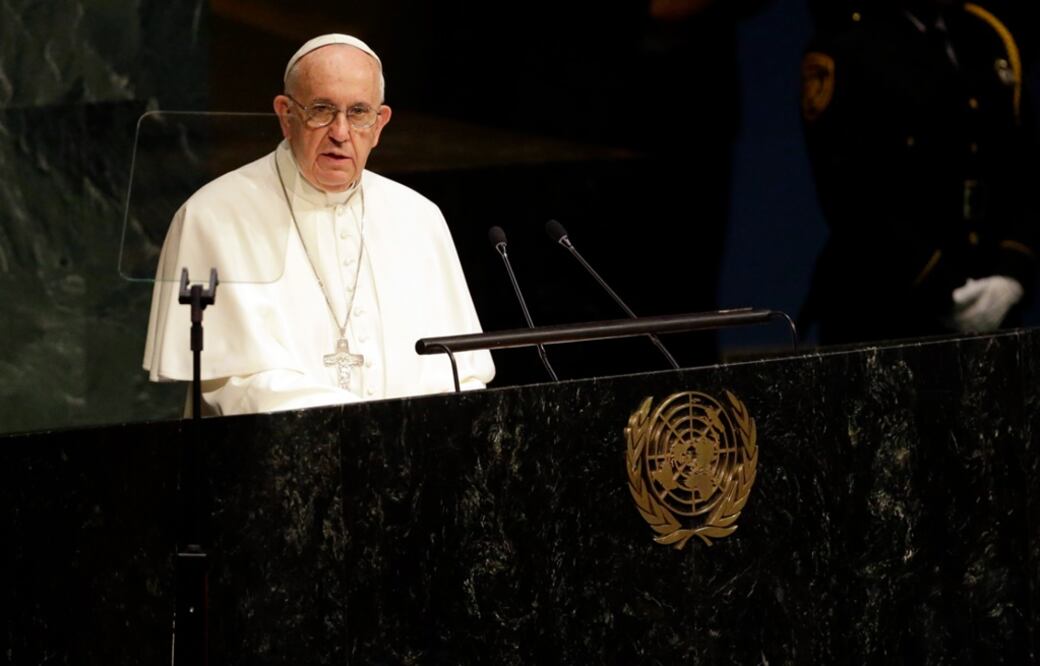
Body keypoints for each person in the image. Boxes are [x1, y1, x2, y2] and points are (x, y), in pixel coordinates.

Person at [143, 34, 494, 415]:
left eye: (358, 112)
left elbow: (463, 373)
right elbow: (231, 386)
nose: (340, 133)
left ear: (380, 124)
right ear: (285, 115)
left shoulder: (418, 217)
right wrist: (363, 425)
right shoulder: (213, 214)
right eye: (322, 109)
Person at [800, 0, 1039, 345]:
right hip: (884, 310)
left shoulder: (986, 35)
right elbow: (851, 192)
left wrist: (1012, 274)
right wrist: (941, 288)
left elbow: (1023, 169)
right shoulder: (847, 43)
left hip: (994, 299)